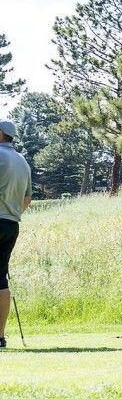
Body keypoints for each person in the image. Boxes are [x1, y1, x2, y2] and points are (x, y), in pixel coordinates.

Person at [0, 119, 33, 349]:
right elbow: (27, 198)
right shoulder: (22, 161)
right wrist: (11, 212)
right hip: (11, 225)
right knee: (0, 278)